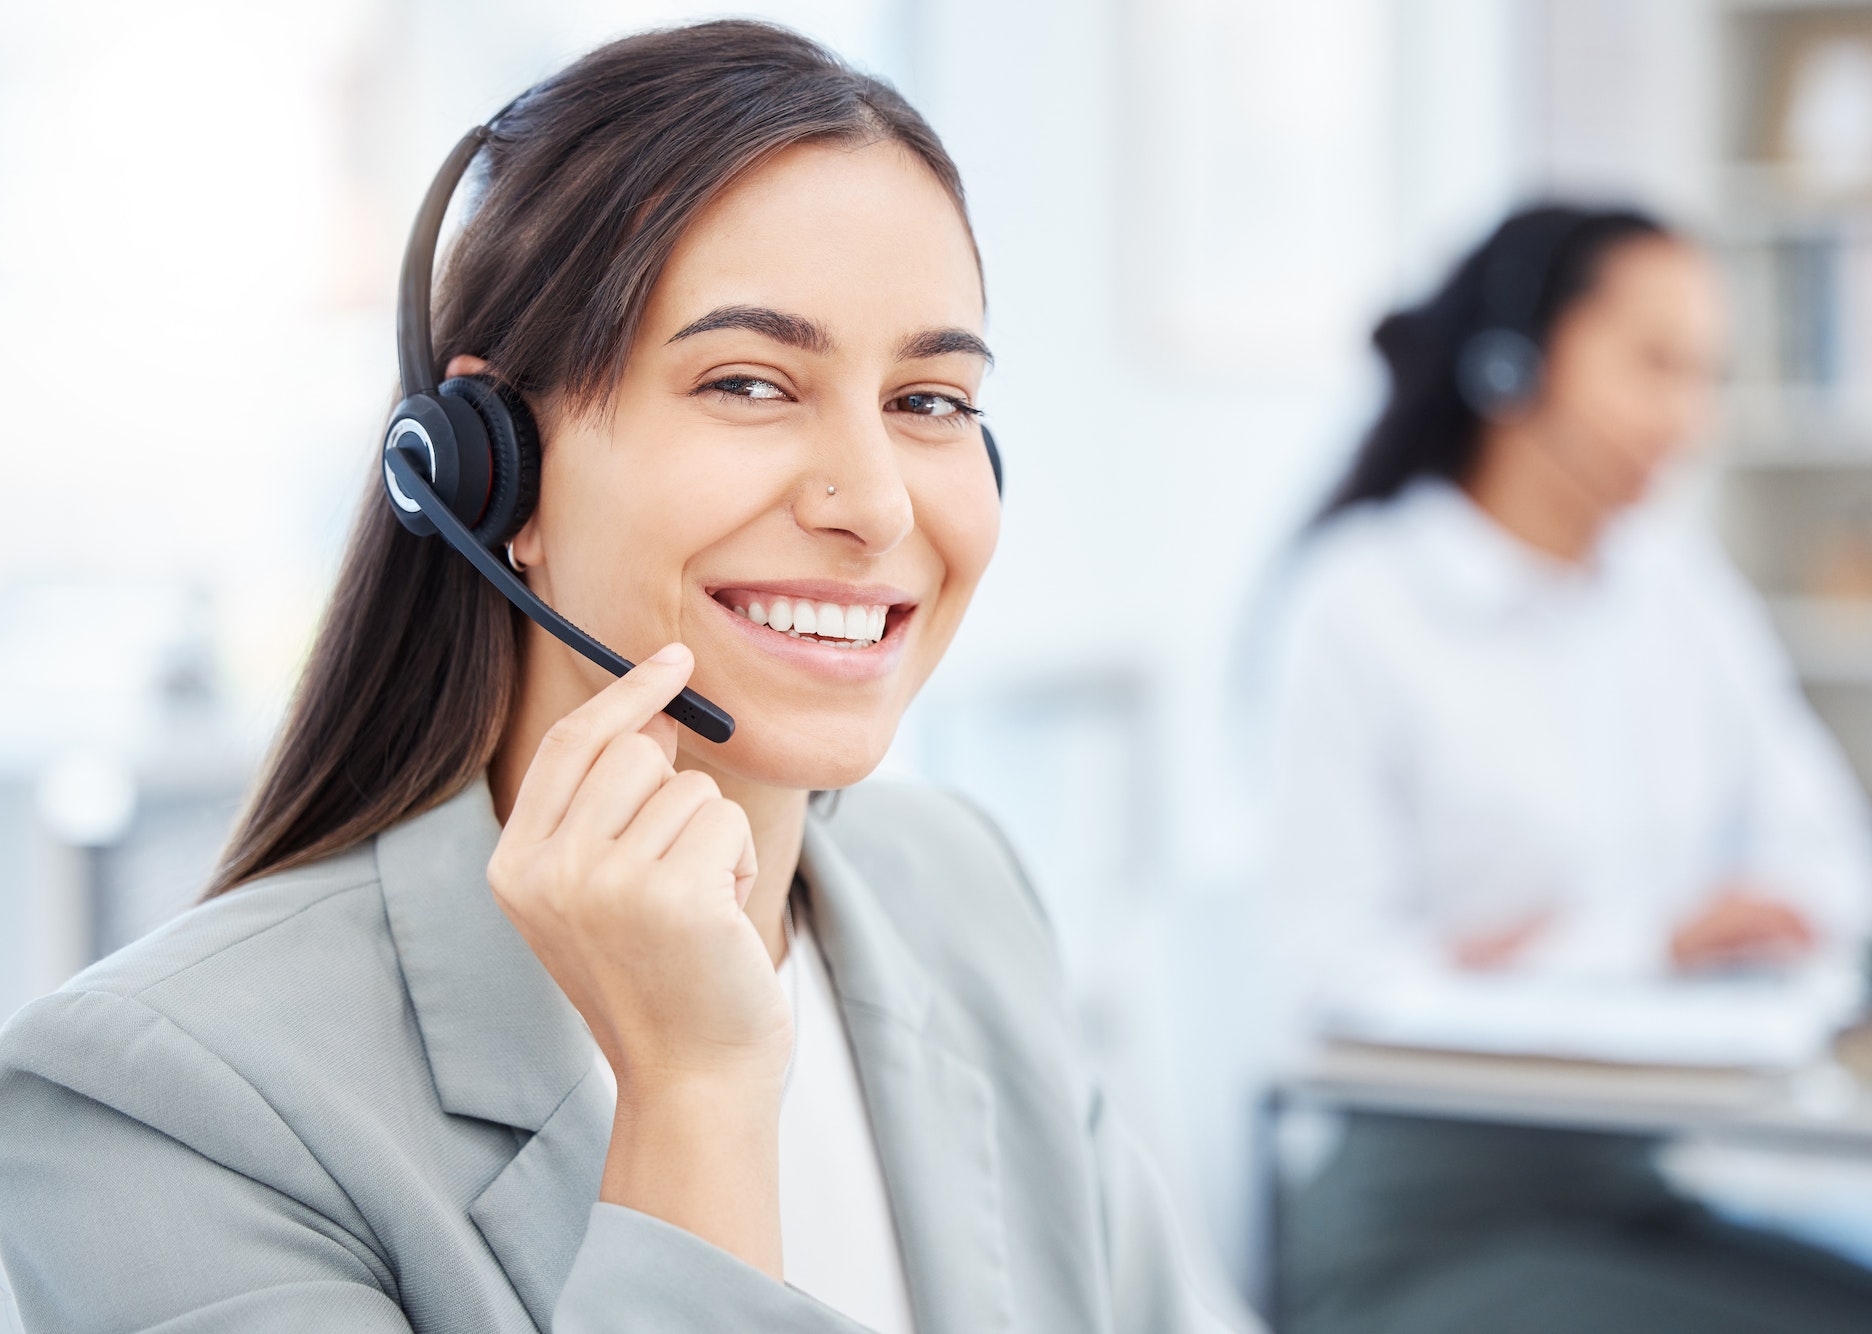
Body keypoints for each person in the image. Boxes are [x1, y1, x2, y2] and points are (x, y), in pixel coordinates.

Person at [0, 24, 1226, 1333]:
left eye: (930, 400)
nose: (874, 504)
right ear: (494, 470)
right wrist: (693, 1088)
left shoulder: (954, 891)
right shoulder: (172, 1099)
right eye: (750, 382)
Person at [1267, 205, 1872, 1334]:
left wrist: (1529, 951)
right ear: (1512, 360)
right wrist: (1649, 941)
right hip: (1411, 1233)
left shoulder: (1670, 586)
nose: (1687, 417)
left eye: (1706, 375)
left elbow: (1829, 858)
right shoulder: (1360, 603)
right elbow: (1333, 979)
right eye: (1653, 364)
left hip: (1616, 1191)